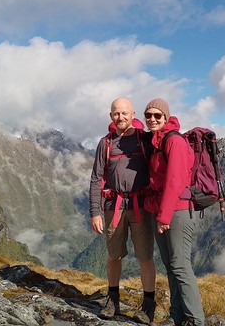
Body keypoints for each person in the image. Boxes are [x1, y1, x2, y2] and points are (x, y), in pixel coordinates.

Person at [89, 97, 156, 324]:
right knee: (113, 255)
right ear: (111, 116)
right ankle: (112, 301)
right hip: (113, 207)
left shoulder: (144, 140)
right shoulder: (105, 143)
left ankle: (148, 306)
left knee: (145, 257)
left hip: (140, 207)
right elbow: (97, 178)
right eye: (116, 114)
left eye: (124, 113)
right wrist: (95, 212)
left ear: (133, 114)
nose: (120, 117)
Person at [143, 98, 205, 326]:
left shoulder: (174, 141)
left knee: (180, 265)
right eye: (148, 115)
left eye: (157, 115)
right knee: (171, 265)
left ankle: (196, 320)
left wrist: (164, 217)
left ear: (167, 118)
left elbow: (175, 181)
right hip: (162, 210)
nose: (152, 119)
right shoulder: (157, 142)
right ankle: (176, 316)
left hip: (176, 212)